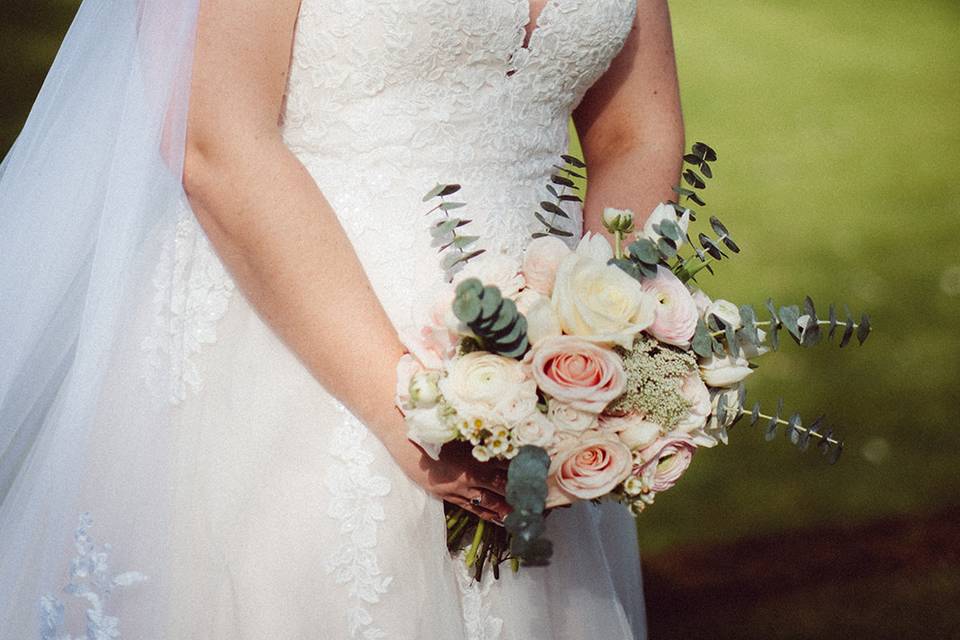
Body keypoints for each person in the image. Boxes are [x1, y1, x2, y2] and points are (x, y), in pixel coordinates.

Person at [0, 0, 683, 637]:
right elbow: (214, 141)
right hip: (288, 345)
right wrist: (405, 410)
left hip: (541, 370)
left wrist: (602, 337)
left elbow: (635, 134)